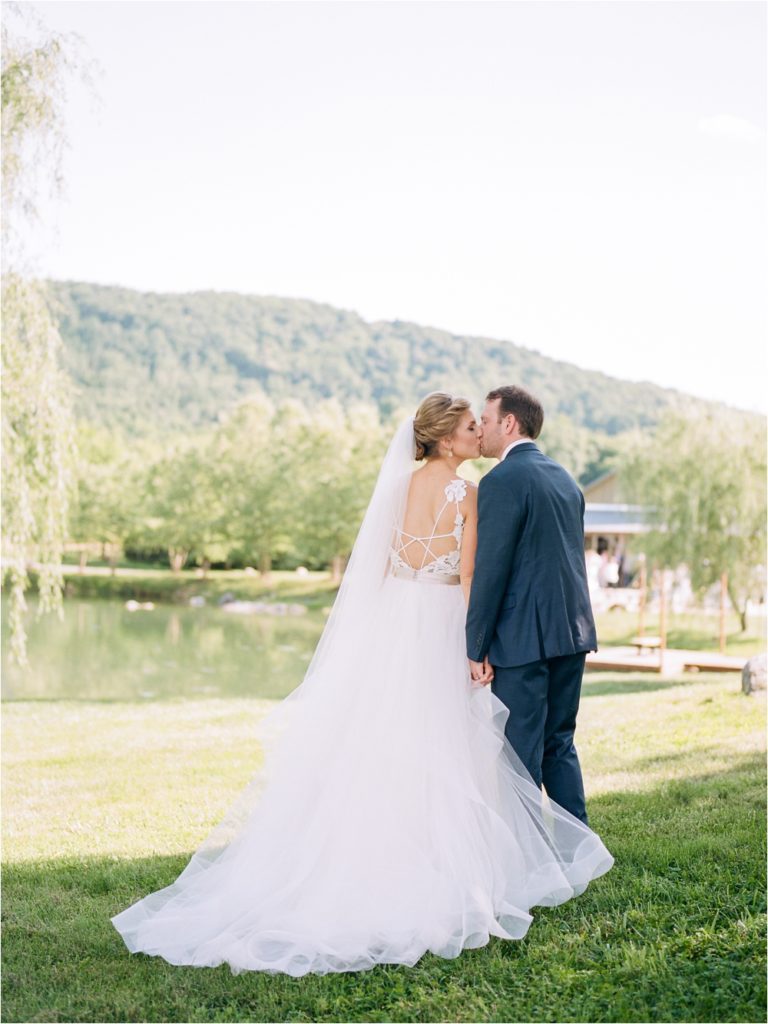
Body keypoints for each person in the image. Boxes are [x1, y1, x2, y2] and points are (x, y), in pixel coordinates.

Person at [111, 392, 613, 978]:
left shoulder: (395, 489)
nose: (478, 432)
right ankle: (487, 861)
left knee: (382, 739)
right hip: (450, 621)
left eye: (482, 423)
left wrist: (373, 639)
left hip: (395, 622)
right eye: (469, 426)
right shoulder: (476, 492)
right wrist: (474, 648)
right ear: (448, 439)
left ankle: (369, 857)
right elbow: (471, 573)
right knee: (452, 745)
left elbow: (377, 568)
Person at [467, 386, 598, 825]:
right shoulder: (564, 478)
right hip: (572, 633)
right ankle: (577, 849)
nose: (480, 429)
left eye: (485, 420)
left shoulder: (501, 481)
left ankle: (525, 860)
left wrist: (476, 644)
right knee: (559, 742)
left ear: (508, 423)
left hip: (524, 639)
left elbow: (491, 570)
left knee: (519, 754)